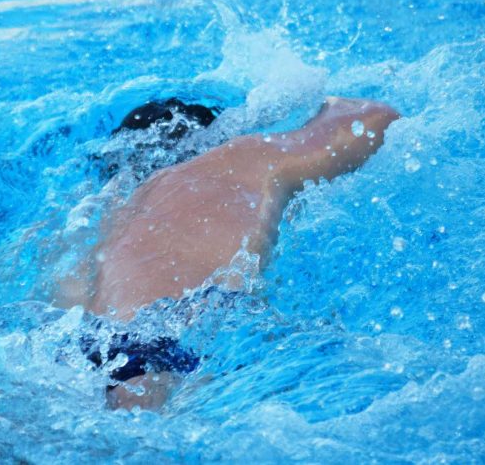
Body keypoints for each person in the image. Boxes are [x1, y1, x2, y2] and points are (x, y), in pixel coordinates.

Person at [55, 96, 400, 409]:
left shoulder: (95, 218)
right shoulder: (233, 161)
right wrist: (294, 97)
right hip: (169, 341)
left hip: (78, 352)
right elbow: (373, 117)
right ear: (207, 143)